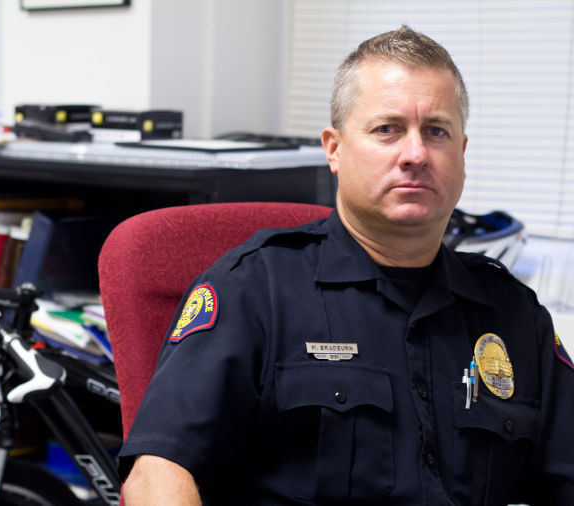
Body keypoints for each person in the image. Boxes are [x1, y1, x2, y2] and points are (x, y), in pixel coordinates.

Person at [118, 25, 574, 505]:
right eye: (387, 129)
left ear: (461, 154)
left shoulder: (512, 312)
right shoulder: (256, 288)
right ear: (334, 149)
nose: (415, 154)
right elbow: (158, 473)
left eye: (436, 131)